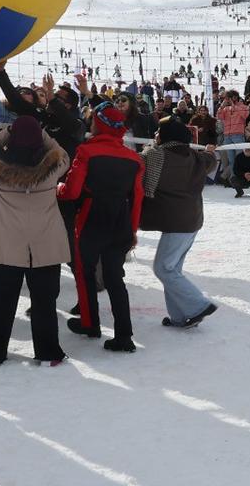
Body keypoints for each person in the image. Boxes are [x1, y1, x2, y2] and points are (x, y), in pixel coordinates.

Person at [0, 116, 71, 366]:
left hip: (5, 246)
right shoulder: (54, 166)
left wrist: (4, 133)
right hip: (45, 245)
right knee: (44, 303)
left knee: (2, 301)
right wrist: (42, 133)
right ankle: (49, 353)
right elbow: (61, 152)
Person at [58, 103, 145, 353]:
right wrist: (133, 231)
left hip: (90, 219)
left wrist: (57, 190)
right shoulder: (134, 158)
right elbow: (137, 198)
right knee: (115, 279)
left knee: (84, 274)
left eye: (94, 120)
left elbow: (72, 191)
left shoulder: (86, 151)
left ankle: (90, 323)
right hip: (120, 222)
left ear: (100, 123)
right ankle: (124, 335)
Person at [140, 119, 219, 328]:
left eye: (159, 131)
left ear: (166, 136)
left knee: (163, 269)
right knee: (173, 271)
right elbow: (210, 161)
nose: (155, 134)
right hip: (192, 220)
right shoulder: (195, 156)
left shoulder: (155, 155)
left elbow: (138, 168)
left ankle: (198, 305)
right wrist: (211, 151)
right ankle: (180, 317)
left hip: (176, 223)